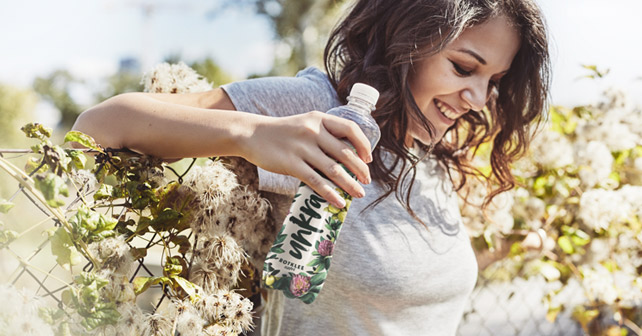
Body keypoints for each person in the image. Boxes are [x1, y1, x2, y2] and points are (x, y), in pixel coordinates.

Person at [72, 0, 550, 334]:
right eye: (464, 68)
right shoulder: (321, 110)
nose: (479, 99)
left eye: (495, 80)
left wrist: (501, 250)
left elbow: (396, 289)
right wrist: (252, 134)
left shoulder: (432, 146)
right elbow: (101, 124)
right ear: (407, 41)